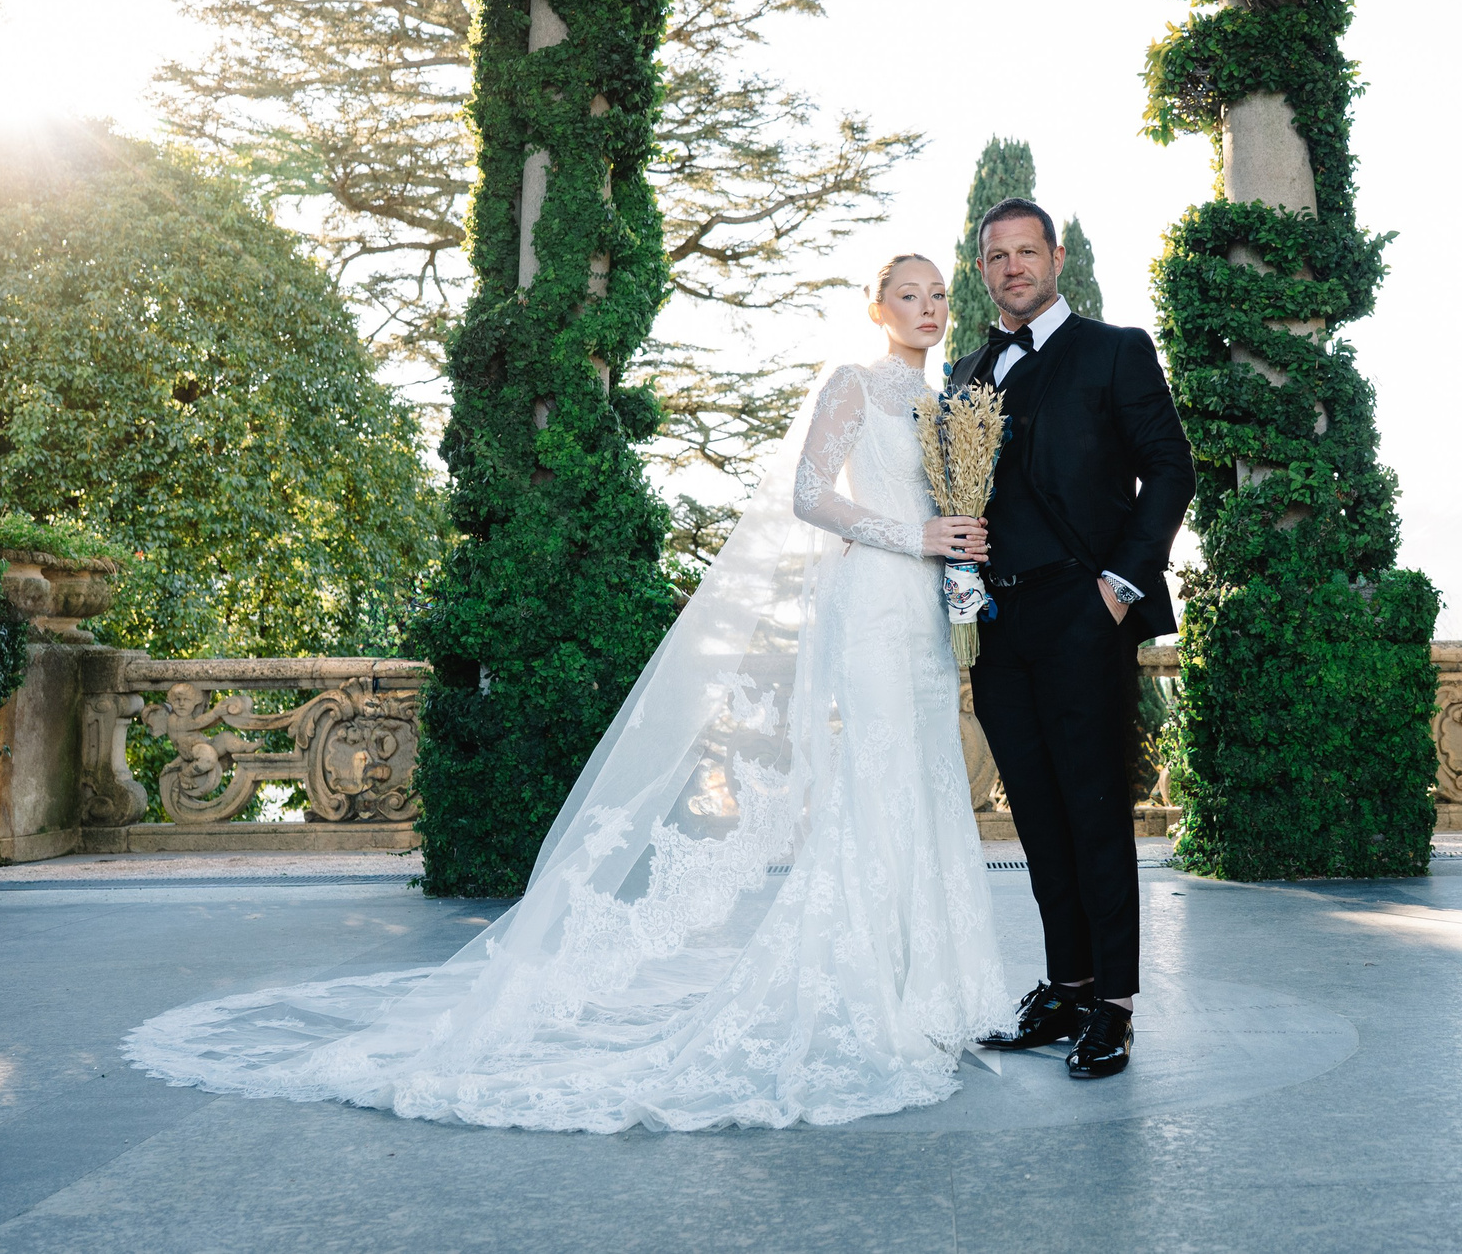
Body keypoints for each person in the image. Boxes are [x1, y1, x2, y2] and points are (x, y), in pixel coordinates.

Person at [122, 256, 1016, 1131]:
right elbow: (810, 493)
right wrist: (916, 530)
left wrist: (958, 548)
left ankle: (935, 989)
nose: (928, 307)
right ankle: (867, 993)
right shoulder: (851, 386)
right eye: (908, 294)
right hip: (871, 603)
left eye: (939, 294)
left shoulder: (945, 405)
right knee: (879, 784)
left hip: (927, 616)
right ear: (876, 308)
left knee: (931, 781)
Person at [944, 197, 1195, 1080]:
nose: (1013, 267)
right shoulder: (968, 372)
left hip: (1086, 612)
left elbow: (1172, 466)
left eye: (1027, 251)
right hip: (1000, 623)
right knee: (1036, 819)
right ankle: (1065, 983)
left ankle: (1114, 1006)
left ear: (1054, 257)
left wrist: (1118, 589)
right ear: (983, 269)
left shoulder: (1115, 349)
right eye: (996, 255)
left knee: (1093, 814)